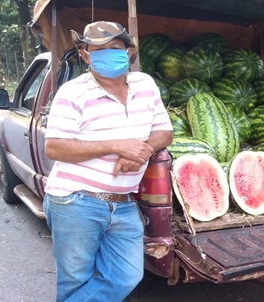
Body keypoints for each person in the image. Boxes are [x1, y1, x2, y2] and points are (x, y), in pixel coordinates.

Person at [42, 21, 173, 302]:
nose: (108, 54)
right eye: (98, 50)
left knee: (127, 275)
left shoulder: (145, 84)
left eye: (115, 48)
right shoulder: (72, 92)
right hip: (76, 202)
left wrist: (143, 149)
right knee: (76, 280)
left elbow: (165, 131)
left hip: (124, 203)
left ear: (128, 51)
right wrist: (116, 146)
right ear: (86, 56)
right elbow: (54, 147)